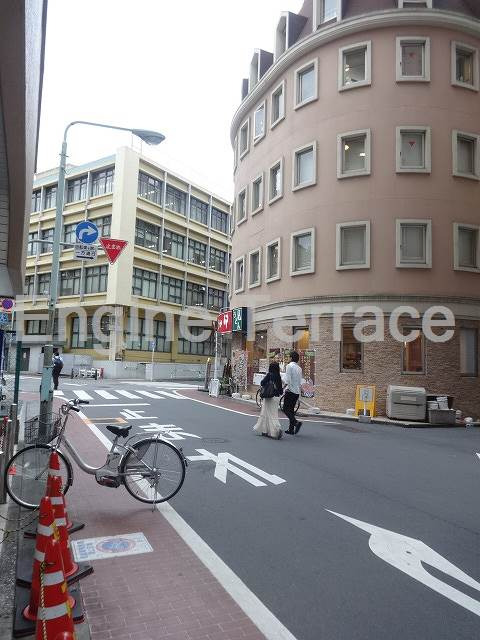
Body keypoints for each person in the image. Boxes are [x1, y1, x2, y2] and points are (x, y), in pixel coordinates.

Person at [253, 361, 283, 439]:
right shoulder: (278, 376)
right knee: (273, 414)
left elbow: (262, 383)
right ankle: (266, 431)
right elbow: (281, 390)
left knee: (267, 414)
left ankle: (276, 429)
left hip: (269, 397)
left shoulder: (269, 375)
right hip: (276, 398)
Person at [283, 350, 303, 435]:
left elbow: (287, 379)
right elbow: (299, 380)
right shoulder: (299, 368)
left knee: (285, 409)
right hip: (296, 391)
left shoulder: (289, 366)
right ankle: (291, 429)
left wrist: (283, 388)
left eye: (289, 357)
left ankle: (296, 423)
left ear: (291, 358)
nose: (288, 358)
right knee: (291, 410)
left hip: (290, 390)